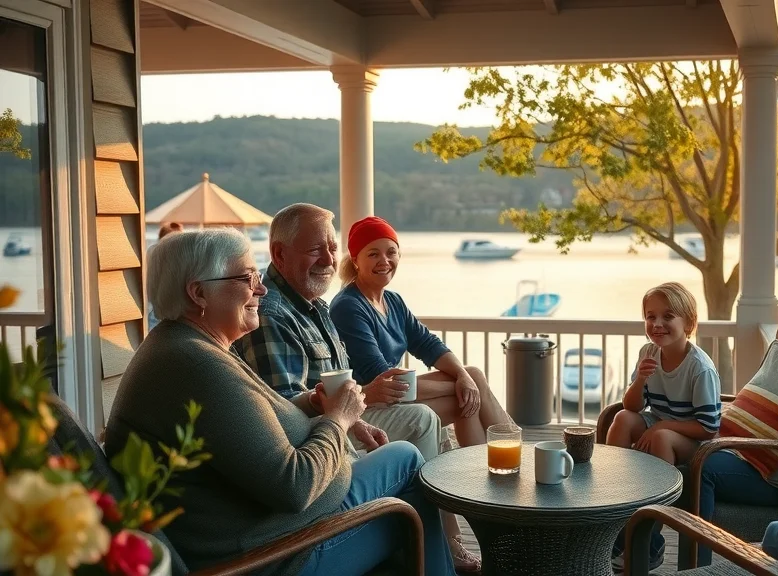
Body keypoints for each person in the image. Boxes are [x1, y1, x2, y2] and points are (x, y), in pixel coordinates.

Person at [104, 228, 455, 576]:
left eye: (257, 275)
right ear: (199, 293)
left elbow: (251, 419)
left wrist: (310, 405)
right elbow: (295, 486)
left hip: (278, 529)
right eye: (246, 278)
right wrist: (338, 419)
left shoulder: (186, 345)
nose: (261, 288)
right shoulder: (194, 364)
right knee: (405, 460)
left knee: (402, 482)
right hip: (276, 555)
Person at [233, 204, 480, 572]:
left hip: (346, 431)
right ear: (280, 254)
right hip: (321, 477)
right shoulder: (277, 316)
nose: (328, 258)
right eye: (316, 249)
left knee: (465, 385)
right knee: (420, 430)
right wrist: (346, 419)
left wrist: (357, 420)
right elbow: (285, 417)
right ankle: (436, 542)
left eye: (332, 248)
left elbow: (415, 348)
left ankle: (472, 514)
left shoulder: (316, 306)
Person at [329, 216, 513, 450]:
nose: (384, 260)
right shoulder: (349, 306)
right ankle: (508, 455)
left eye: (391, 252)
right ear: (355, 260)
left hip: (397, 397)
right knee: (468, 392)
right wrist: (466, 381)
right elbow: (383, 378)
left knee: (470, 385)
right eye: (373, 254)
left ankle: (493, 462)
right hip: (368, 406)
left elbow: (428, 344)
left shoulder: (393, 301)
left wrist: (464, 376)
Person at [607, 281, 722, 572]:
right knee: (621, 419)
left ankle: (651, 541)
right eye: (650, 316)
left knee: (663, 438)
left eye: (668, 317)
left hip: (692, 439)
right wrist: (640, 380)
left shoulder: (700, 368)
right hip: (659, 425)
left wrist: (662, 427)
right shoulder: (649, 351)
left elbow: (709, 427)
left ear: (689, 323)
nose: (657, 324)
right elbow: (632, 407)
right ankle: (612, 500)